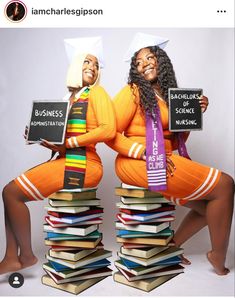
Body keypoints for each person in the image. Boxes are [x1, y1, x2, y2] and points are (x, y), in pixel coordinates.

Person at [107, 33, 234, 275]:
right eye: (138, 63)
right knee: (225, 185)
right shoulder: (132, 91)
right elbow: (110, 133)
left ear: (161, 60)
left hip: (165, 159)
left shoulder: (167, 96)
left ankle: (169, 247)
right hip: (136, 160)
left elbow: (175, 142)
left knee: (210, 207)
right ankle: (218, 255)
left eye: (149, 57)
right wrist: (143, 152)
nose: (144, 64)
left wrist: (194, 115)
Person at [0, 36, 116, 275]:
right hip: (68, 158)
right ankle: (11, 257)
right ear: (75, 66)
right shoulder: (69, 100)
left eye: (95, 65)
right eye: (87, 63)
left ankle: (27, 256)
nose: (92, 68)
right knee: (9, 192)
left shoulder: (97, 93)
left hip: (86, 164)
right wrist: (44, 140)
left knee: (11, 193)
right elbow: (64, 147)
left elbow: (108, 129)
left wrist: (70, 142)